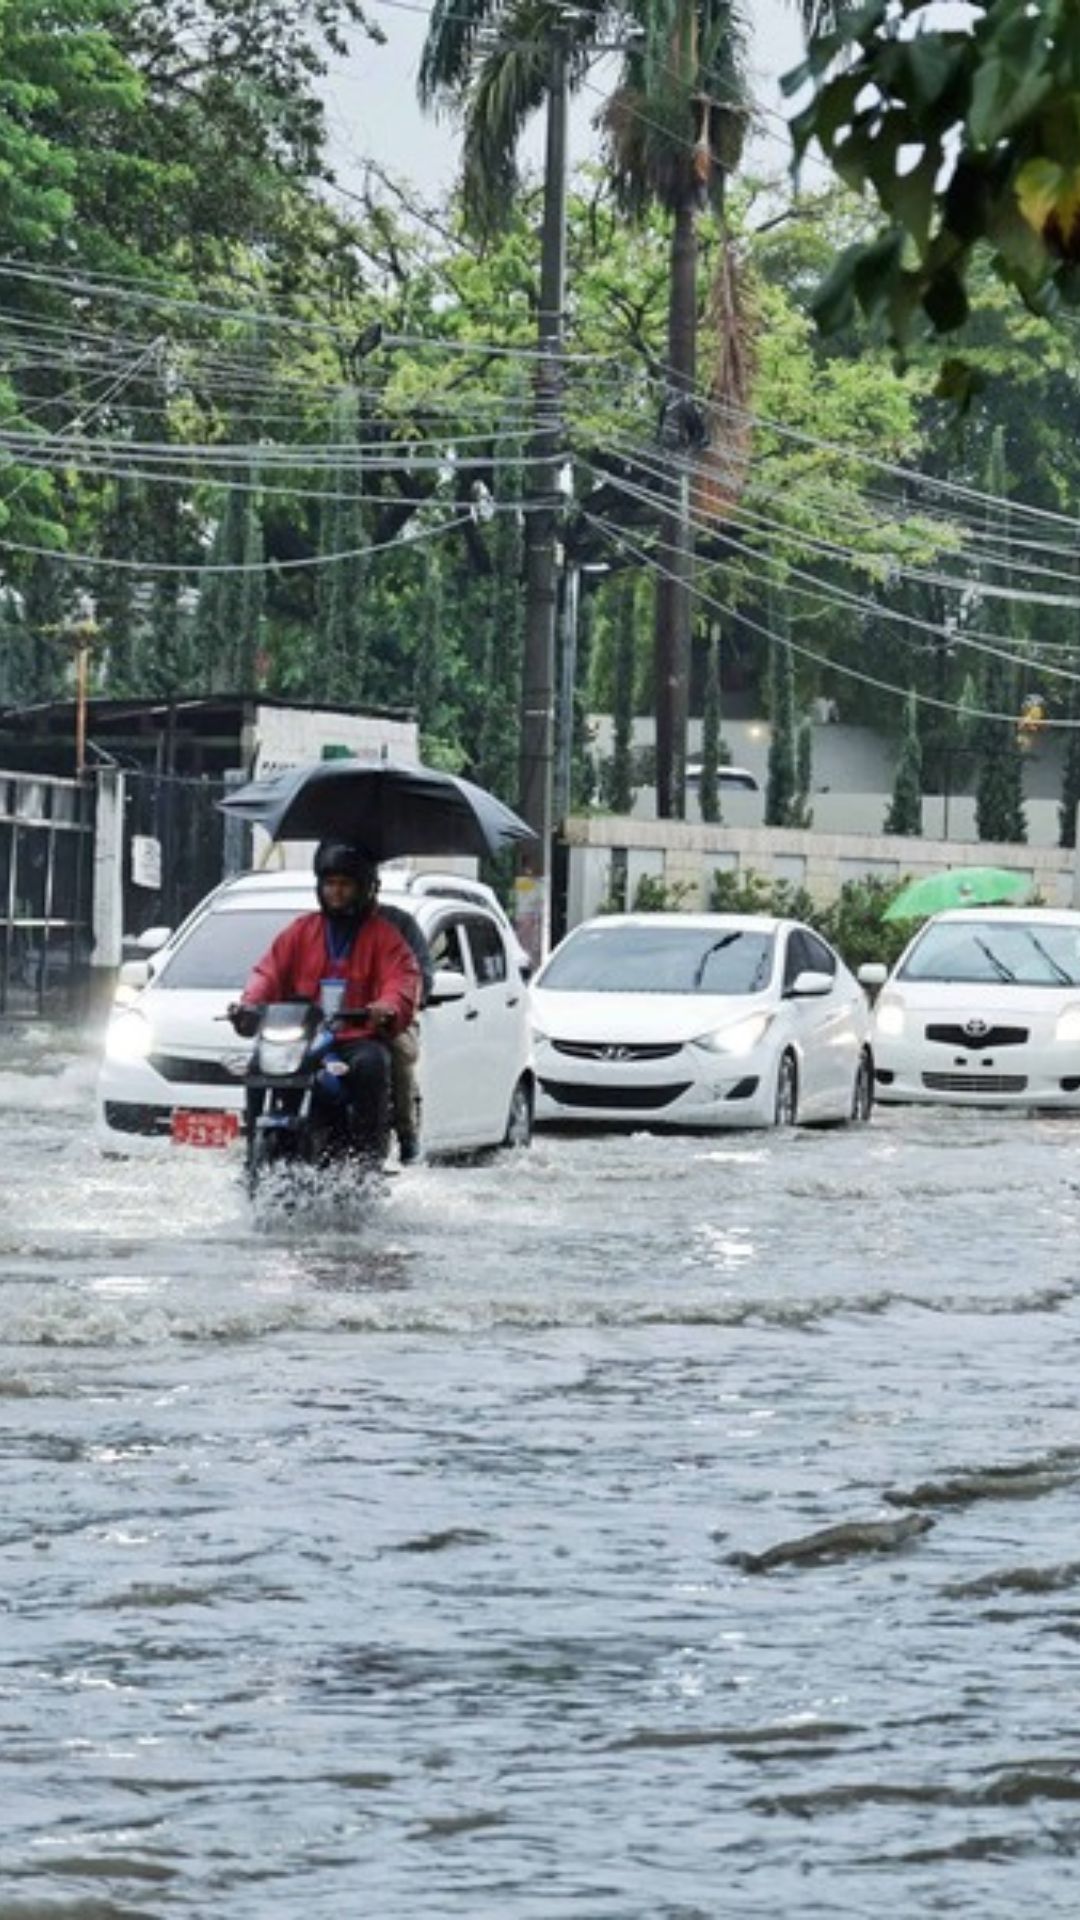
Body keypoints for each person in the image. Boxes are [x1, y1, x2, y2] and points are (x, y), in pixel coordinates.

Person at [229, 841, 421, 1165]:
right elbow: (268, 971)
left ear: (365, 888)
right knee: (257, 1063)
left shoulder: (385, 936)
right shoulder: (301, 930)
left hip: (356, 1036)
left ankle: (365, 1161)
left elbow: (401, 980)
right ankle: (252, 1153)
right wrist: (249, 1005)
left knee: (372, 1064)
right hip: (306, 1036)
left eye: (345, 884)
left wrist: (387, 1007)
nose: (336, 892)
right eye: (330, 883)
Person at [376, 901, 433, 1164]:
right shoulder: (318, 927)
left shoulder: (399, 924)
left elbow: (419, 974)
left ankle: (407, 1133)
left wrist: (396, 1004)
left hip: (389, 1016)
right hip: (333, 1018)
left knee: (399, 1052)